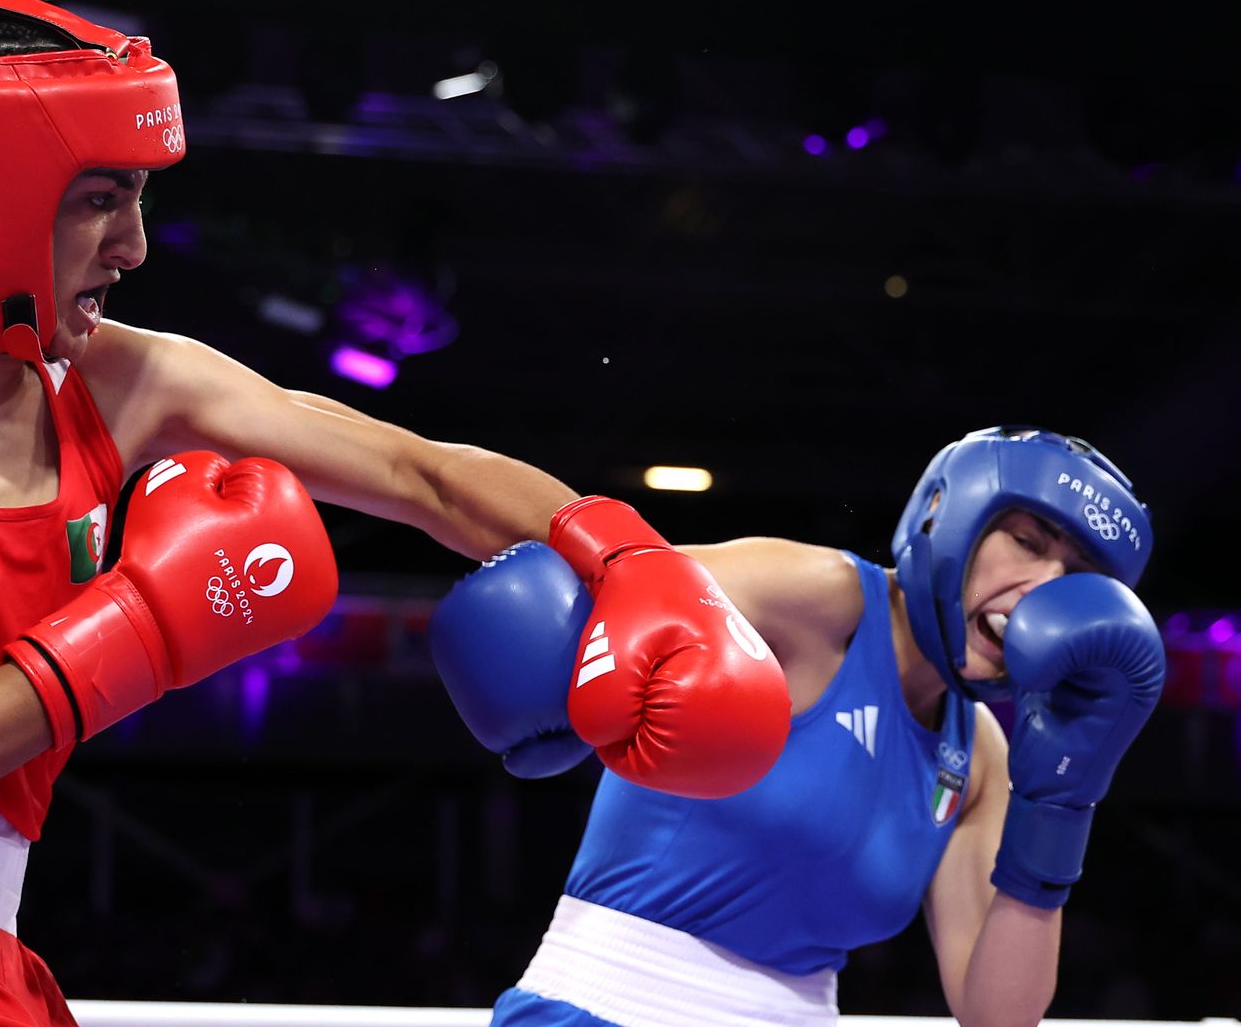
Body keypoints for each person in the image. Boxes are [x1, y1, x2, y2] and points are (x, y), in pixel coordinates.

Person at [0, 0, 791, 1024]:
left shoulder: (115, 383)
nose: (135, 248)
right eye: (102, 201)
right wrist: (141, 630)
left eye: (138, 200)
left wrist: (625, 560)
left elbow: (419, 473)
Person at [431, 426, 1168, 1026]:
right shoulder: (819, 598)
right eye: (1030, 543)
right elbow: (609, 579)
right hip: (608, 1007)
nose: (1044, 591)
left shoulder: (978, 755)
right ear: (950, 517)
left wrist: (1064, 804)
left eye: (1076, 579)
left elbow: (996, 1014)